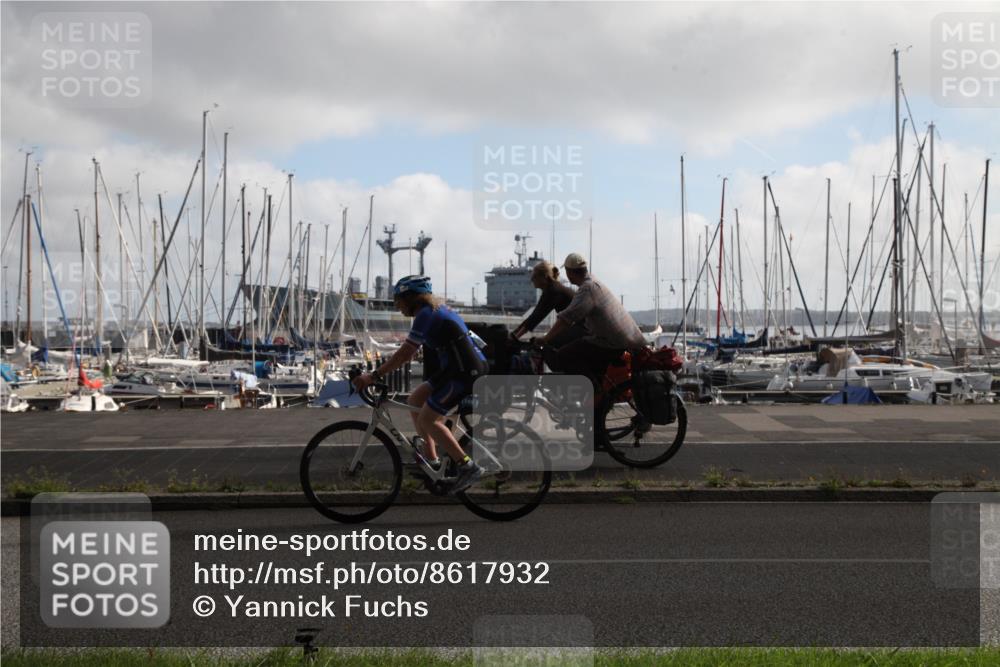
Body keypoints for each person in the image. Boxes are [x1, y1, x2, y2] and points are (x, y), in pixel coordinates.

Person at [352, 275, 488, 493]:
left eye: (398, 300)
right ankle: (432, 460)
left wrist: (374, 376)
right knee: (415, 399)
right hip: (453, 369)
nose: (397, 306)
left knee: (428, 418)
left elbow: (407, 352)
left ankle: (467, 466)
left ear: (411, 297)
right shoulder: (431, 311)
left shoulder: (426, 314)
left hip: (464, 372)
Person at [537, 253, 647, 388]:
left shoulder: (587, 288)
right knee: (581, 348)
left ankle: (592, 391)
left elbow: (567, 318)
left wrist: (546, 338)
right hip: (624, 340)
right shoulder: (594, 282)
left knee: (565, 354)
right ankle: (598, 386)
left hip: (611, 342)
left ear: (569, 272)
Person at [511, 261, 586, 371]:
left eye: (534, 276)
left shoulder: (554, 290)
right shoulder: (551, 289)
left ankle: (564, 375)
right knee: (552, 345)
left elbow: (536, 317)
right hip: (579, 326)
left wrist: (515, 336)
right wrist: (515, 334)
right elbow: (534, 315)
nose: (531, 280)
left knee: (549, 344)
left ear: (544, 277)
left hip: (583, 328)